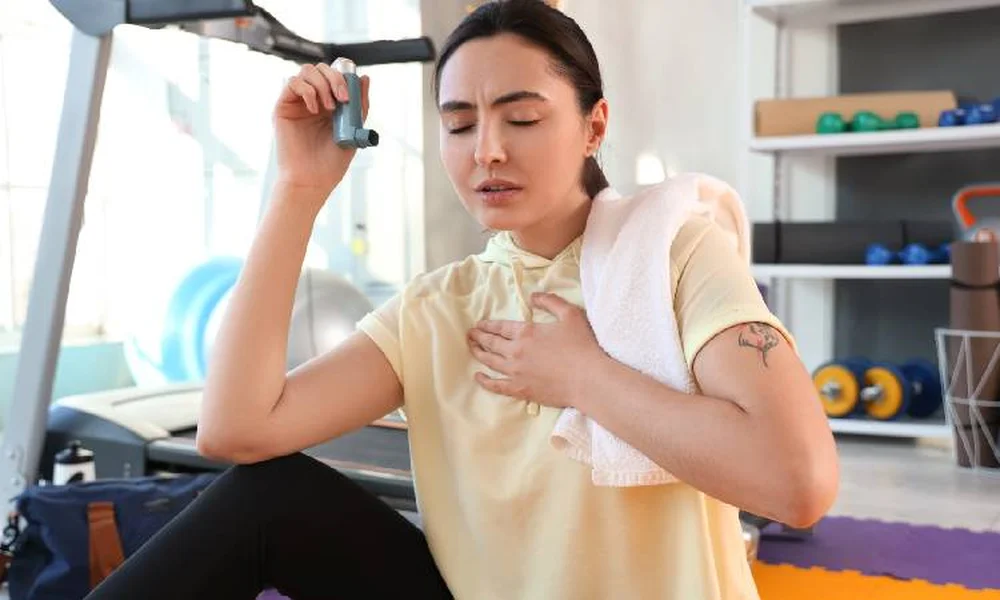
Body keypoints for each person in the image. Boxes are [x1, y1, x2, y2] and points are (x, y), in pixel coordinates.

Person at [86, 1, 838, 598]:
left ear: (593, 127)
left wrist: (586, 377)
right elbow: (235, 431)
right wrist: (298, 190)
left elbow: (799, 484)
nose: (487, 150)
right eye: (459, 124)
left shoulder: (675, 252)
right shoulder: (438, 307)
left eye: (523, 118)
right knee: (265, 498)